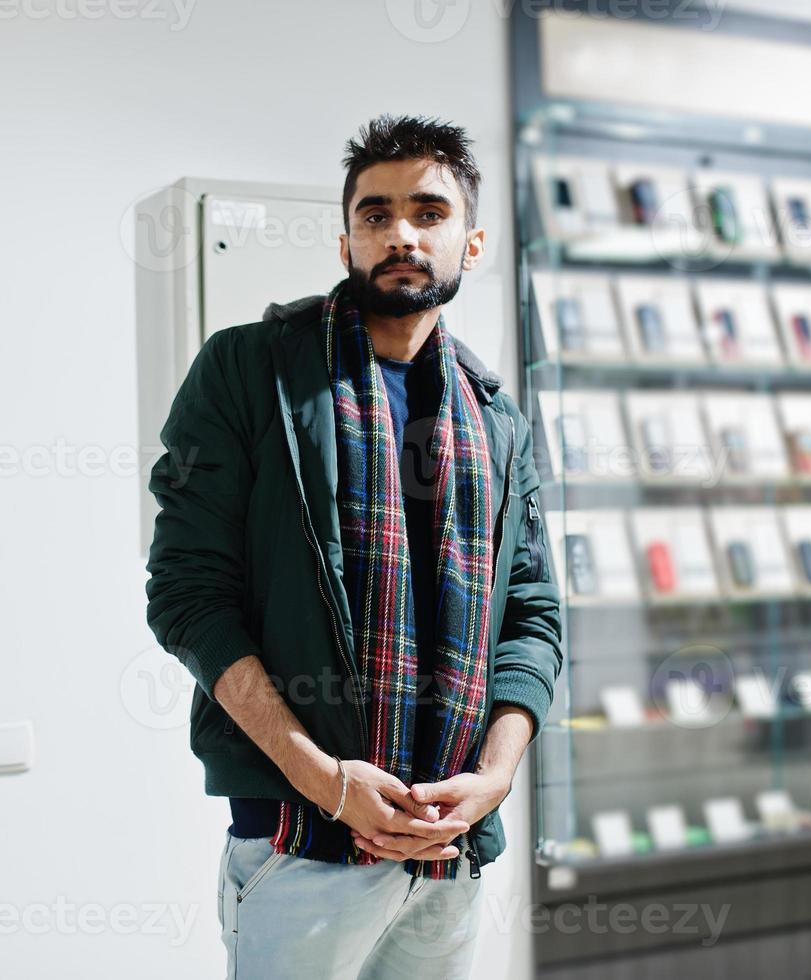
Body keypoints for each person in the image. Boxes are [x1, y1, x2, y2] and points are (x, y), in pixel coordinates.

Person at [145, 113, 564, 979]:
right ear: (346, 242)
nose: (400, 233)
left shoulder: (497, 422)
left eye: (428, 212)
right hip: (298, 842)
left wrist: (492, 776)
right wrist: (322, 778)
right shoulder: (248, 371)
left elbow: (531, 616)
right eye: (375, 215)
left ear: (471, 241)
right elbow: (188, 593)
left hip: (447, 846)